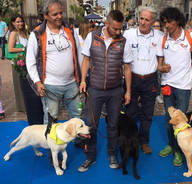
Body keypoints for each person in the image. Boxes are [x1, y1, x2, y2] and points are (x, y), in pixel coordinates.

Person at [78, 10, 132, 172]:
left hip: (116, 91)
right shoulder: (92, 37)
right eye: (115, 28)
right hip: (94, 89)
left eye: (120, 29)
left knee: (113, 125)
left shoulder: (123, 41)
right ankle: (90, 156)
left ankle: (112, 153)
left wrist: (128, 91)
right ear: (107, 24)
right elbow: (86, 60)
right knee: (90, 124)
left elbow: (127, 68)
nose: (118, 32)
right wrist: (82, 80)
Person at [158, 7, 192, 166]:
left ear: (177, 21)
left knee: (181, 119)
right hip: (167, 84)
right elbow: (159, 64)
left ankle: (179, 150)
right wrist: (161, 68)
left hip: (184, 86)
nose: (167, 25)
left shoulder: (190, 37)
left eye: (169, 21)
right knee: (168, 118)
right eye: (164, 22)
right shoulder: (164, 39)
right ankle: (172, 146)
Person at [26, 0, 81, 125]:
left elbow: (79, 55)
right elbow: (30, 61)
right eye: (55, 14)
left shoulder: (70, 31)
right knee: (51, 118)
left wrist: (82, 78)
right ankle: (51, 144)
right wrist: (37, 82)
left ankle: (79, 141)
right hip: (50, 85)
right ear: (46, 16)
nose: (59, 16)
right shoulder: (37, 34)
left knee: (77, 116)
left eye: (61, 13)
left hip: (72, 83)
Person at [123, 7, 164, 154]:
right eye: (141, 18)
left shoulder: (159, 35)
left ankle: (144, 141)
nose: (143, 22)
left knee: (147, 113)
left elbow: (163, 56)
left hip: (150, 80)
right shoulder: (128, 34)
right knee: (130, 112)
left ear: (153, 22)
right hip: (132, 79)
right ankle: (130, 140)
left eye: (147, 19)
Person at [8, 15, 28, 112]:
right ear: (13, 23)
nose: (20, 23)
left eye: (21, 21)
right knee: (20, 86)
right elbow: (10, 49)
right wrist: (23, 49)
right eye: (18, 22)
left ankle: (27, 105)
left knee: (26, 86)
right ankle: (23, 107)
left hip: (25, 63)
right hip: (17, 64)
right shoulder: (13, 34)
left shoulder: (24, 33)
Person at [152, 19, 164, 104]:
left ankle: (158, 95)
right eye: (154, 26)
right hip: (150, 61)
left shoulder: (163, 36)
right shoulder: (149, 36)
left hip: (159, 61)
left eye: (157, 26)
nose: (156, 28)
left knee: (159, 79)